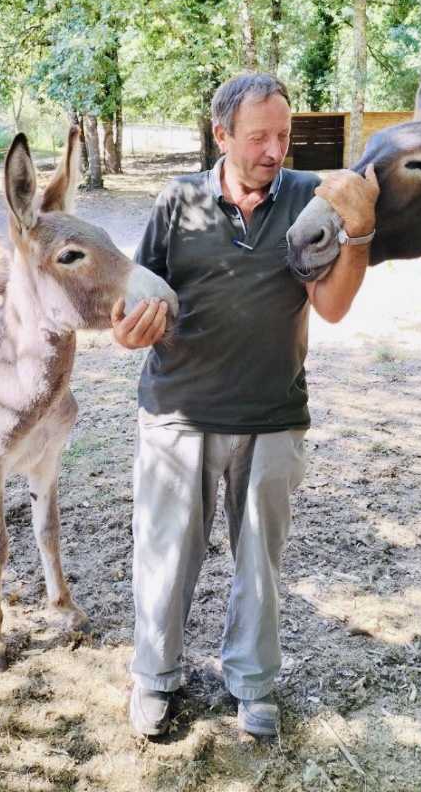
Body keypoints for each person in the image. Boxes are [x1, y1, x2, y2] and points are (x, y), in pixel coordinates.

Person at [111, 73, 379, 738]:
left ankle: (253, 683)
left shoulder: (308, 201)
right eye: (258, 136)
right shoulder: (177, 202)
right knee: (166, 554)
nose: (274, 149)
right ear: (221, 134)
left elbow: (334, 308)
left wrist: (361, 233)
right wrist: (125, 329)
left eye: (282, 135)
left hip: (272, 414)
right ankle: (154, 675)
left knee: (261, 562)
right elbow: (129, 302)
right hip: (178, 412)